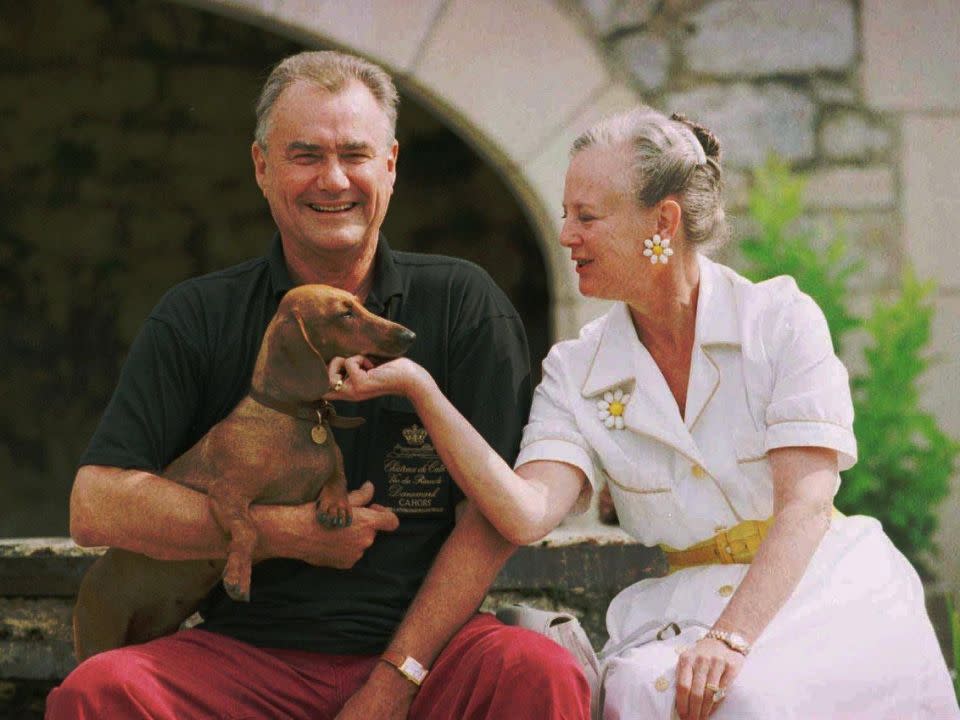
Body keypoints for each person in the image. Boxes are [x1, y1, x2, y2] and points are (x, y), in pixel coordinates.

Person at [327, 106, 960, 719]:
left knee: (752, 699)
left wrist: (730, 641)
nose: (566, 235)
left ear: (662, 222)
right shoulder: (574, 370)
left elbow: (806, 505)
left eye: (588, 216)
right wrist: (421, 390)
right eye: (565, 214)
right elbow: (523, 513)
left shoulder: (780, 320)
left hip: (818, 593)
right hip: (677, 611)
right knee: (649, 690)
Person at [47, 50, 590, 720]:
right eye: (305, 155)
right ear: (261, 167)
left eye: (355, 155)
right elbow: (95, 505)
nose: (333, 180)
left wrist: (394, 683)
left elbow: (488, 524)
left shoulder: (462, 305)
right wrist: (280, 534)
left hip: (429, 656)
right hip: (242, 658)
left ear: (390, 166)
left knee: (536, 672)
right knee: (98, 696)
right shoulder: (198, 315)